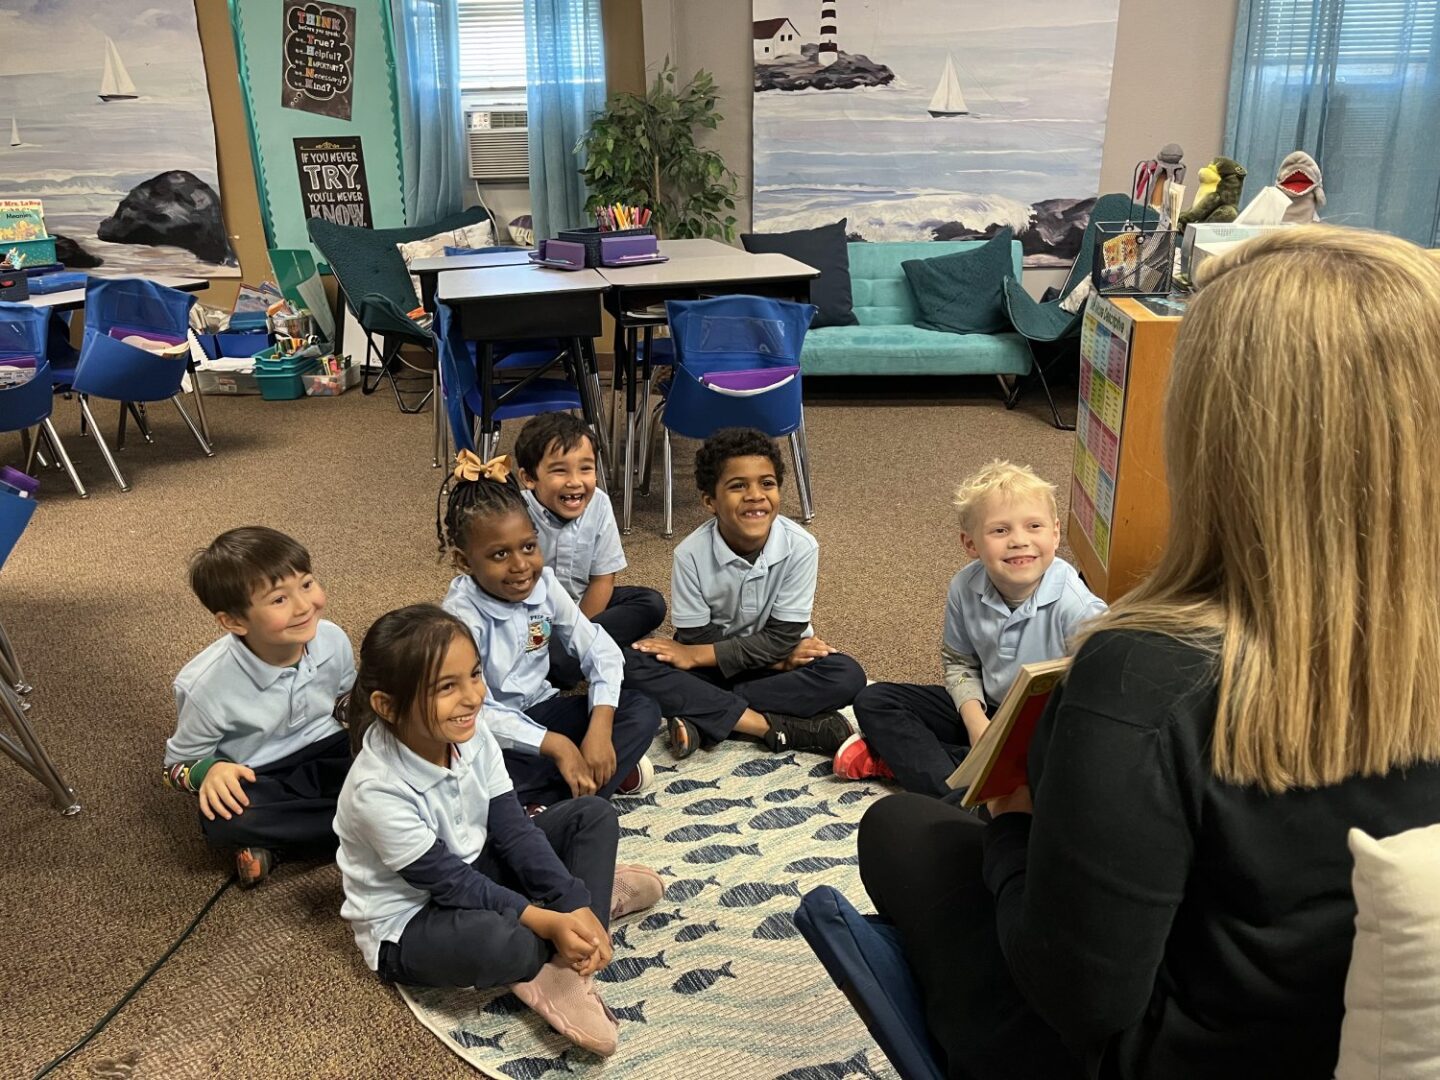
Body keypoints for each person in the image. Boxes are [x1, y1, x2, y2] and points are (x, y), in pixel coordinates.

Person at [854, 225, 1440, 1079]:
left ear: (1217, 434)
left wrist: (1014, 827)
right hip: (1339, 1027)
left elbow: (1078, 999)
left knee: (900, 828)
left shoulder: (1145, 668)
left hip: (1155, 1052)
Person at [334, 605, 663, 1058]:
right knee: (505, 943)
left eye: (473, 675)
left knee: (592, 815)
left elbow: (512, 829)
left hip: (479, 864)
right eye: (447, 687)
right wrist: (550, 918)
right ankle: (557, 960)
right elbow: (450, 883)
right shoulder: (375, 790)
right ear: (388, 707)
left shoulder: (471, 732)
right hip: (413, 918)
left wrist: (572, 901)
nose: (472, 697)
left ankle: (578, 926)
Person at [835, 461, 1105, 793]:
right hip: (988, 711)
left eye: (1034, 526)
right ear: (970, 544)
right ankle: (973, 784)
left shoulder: (1077, 607)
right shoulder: (964, 586)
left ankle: (946, 780)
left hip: (1045, 728)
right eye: (1000, 530)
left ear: (1055, 532)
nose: (1019, 541)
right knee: (874, 699)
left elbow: (1102, 693)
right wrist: (977, 724)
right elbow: (960, 661)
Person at [437, 451, 660, 808]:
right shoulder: (458, 620)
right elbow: (475, 714)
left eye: (528, 547)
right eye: (499, 555)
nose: (521, 566)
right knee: (462, 777)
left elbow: (598, 649)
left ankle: (558, 795)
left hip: (540, 708)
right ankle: (584, 788)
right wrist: (556, 746)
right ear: (464, 562)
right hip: (488, 733)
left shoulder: (545, 585)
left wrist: (600, 728)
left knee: (642, 710)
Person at [629, 427, 866, 758]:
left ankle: (702, 714)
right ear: (710, 501)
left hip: (745, 659)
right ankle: (768, 726)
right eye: (738, 486)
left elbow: (783, 636)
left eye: (766, 483)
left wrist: (780, 657)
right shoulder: (690, 553)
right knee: (629, 663)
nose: (755, 495)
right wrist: (778, 663)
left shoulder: (801, 547)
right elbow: (697, 635)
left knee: (846, 675)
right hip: (731, 663)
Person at [163, 526, 354, 887]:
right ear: (234, 621)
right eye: (279, 599)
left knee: (396, 756)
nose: (304, 606)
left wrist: (378, 715)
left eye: (307, 584)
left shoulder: (332, 638)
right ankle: (370, 823)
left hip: (330, 749)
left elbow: (343, 700)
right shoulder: (203, 686)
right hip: (260, 773)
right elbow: (175, 768)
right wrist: (210, 773)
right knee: (225, 819)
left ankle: (282, 844)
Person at [514, 412, 666, 688]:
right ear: (529, 478)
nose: (575, 481)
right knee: (544, 658)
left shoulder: (599, 504)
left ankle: (573, 658)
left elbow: (602, 579)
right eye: (560, 470)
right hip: (531, 622)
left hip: (583, 607)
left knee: (652, 603)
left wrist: (579, 634)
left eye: (586, 468)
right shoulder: (514, 514)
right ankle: (573, 659)